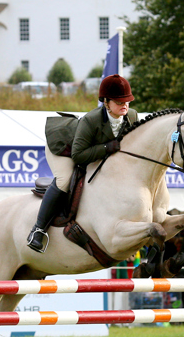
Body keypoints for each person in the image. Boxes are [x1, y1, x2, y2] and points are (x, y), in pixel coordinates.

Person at [26, 74, 139, 252]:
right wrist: (106, 147)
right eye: (119, 102)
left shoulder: (132, 116)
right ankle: (38, 230)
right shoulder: (91, 120)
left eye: (127, 101)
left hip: (90, 148)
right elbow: (78, 155)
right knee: (65, 179)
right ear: (106, 102)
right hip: (64, 147)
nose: (125, 105)